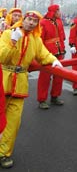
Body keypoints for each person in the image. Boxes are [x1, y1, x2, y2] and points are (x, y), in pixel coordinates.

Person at [0, 11, 62, 168]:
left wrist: (54, 60)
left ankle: (4, 153)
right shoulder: (8, 34)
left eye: (35, 21)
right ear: (24, 20)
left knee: (14, 122)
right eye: (29, 19)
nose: (31, 23)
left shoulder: (36, 39)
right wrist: (13, 42)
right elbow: (2, 57)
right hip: (2, 81)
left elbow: (43, 54)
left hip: (20, 84)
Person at [37, 4, 66, 109]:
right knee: (45, 77)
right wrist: (42, 54)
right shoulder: (43, 23)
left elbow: (61, 37)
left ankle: (55, 96)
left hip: (59, 52)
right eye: (58, 10)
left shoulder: (59, 21)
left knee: (59, 76)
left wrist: (63, 49)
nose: (59, 12)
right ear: (53, 12)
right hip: (47, 53)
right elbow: (40, 40)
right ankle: (42, 99)